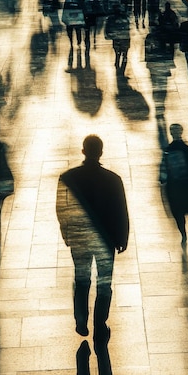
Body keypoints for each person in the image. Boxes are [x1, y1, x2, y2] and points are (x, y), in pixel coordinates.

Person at [56, 135, 129, 339]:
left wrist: (67, 233)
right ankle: (100, 323)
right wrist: (122, 238)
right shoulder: (113, 179)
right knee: (104, 282)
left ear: (83, 151)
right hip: (106, 240)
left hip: (80, 238)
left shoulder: (67, 178)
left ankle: (81, 319)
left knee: (81, 279)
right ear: (101, 152)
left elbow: (62, 209)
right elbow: (121, 211)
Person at [159, 124, 188, 244]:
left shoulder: (168, 151)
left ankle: (182, 231)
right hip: (185, 185)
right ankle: (183, 229)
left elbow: (163, 170)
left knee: (177, 212)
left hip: (173, 187)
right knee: (183, 208)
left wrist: (162, 179)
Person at [104, 4, 131, 75]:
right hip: (124, 37)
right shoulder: (124, 17)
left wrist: (108, 34)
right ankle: (121, 65)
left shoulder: (111, 18)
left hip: (118, 37)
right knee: (124, 53)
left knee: (118, 52)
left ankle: (117, 62)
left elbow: (108, 27)